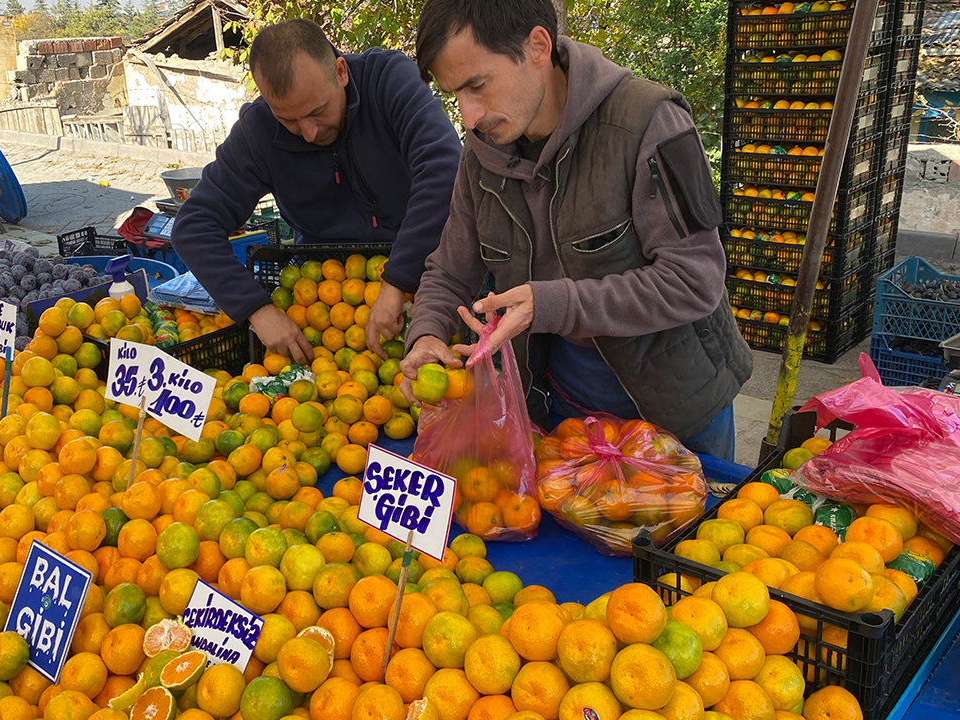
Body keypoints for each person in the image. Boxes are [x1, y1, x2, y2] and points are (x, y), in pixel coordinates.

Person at [400, 0, 753, 460]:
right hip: (561, 409)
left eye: (478, 86)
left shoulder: (649, 121)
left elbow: (694, 280)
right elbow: (451, 270)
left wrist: (552, 304)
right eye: (455, 96)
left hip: (675, 406)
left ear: (537, 47)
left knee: (691, 530)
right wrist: (427, 333)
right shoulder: (480, 155)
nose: (468, 116)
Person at [171, 19, 463, 364]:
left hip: (424, 275)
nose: (308, 133)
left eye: (317, 112)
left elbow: (445, 169)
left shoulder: (387, 81)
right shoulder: (259, 131)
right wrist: (257, 310)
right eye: (289, 121)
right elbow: (193, 226)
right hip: (323, 299)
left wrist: (398, 279)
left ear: (340, 71)